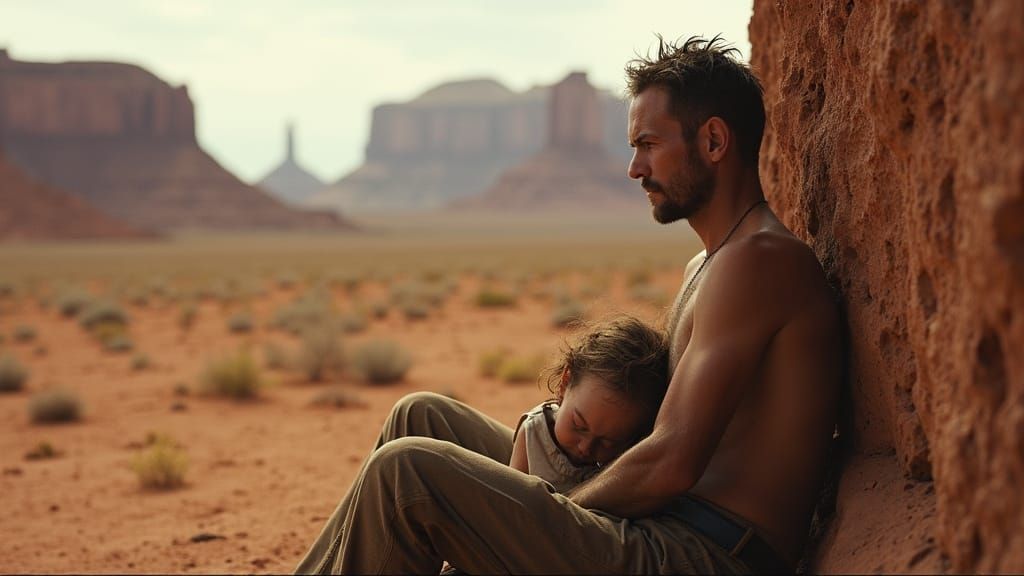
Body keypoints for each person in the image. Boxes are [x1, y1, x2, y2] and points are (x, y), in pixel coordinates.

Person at [295, 35, 842, 575]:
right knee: (420, 416)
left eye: (648, 145)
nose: (634, 169)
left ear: (714, 141)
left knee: (407, 472)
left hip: (701, 552)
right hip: (663, 525)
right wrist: (532, 505)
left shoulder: (759, 261)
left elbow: (672, 462)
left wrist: (539, 515)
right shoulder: (706, 265)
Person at [509, 315, 669, 493]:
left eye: (608, 442)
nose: (585, 448)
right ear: (565, 383)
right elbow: (513, 499)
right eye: (578, 425)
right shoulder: (533, 434)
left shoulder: (628, 460)